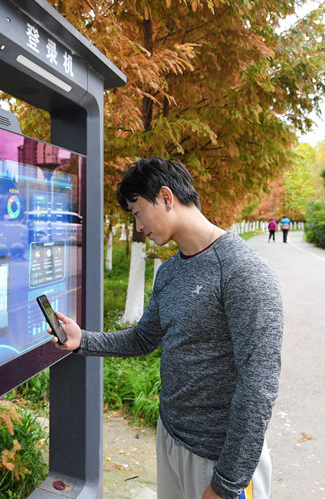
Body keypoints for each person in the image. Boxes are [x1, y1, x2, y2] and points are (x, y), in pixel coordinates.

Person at [50, 158, 283, 499]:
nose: (138, 225)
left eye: (138, 212)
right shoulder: (170, 272)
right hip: (171, 439)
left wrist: (227, 483)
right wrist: (82, 339)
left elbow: (259, 387)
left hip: (219, 459)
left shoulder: (243, 271)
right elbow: (143, 338)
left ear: (166, 197)